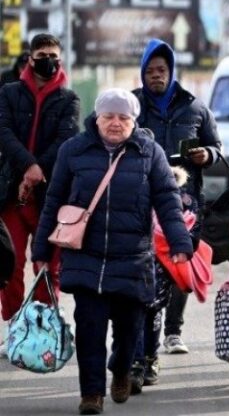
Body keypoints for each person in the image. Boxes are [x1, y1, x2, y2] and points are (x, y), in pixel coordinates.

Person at [31, 88, 193, 415]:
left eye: (124, 117)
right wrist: (42, 249)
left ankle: (120, 369)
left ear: (134, 121)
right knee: (89, 327)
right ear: (97, 117)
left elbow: (167, 201)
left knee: (129, 327)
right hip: (85, 255)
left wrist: (179, 242)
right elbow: (53, 200)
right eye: (109, 116)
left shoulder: (150, 153)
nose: (116, 123)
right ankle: (91, 393)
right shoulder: (73, 151)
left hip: (132, 257)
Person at [133, 38, 222, 362]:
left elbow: (216, 148)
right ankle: (145, 340)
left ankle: (173, 331)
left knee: (181, 260)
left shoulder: (195, 107)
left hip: (186, 199)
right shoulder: (132, 107)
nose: (156, 76)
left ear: (171, 72)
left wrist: (206, 155)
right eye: (150, 71)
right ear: (142, 74)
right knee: (152, 265)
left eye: (162, 70)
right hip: (143, 197)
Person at [0, 34, 80, 355]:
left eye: (54, 55)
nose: (49, 59)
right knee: (10, 263)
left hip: (51, 197)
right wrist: (26, 168)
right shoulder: (8, 94)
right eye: (42, 54)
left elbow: (65, 141)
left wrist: (36, 172)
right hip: (10, 194)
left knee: (48, 266)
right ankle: (13, 326)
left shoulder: (68, 99)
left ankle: (43, 327)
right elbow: (3, 133)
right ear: (30, 59)